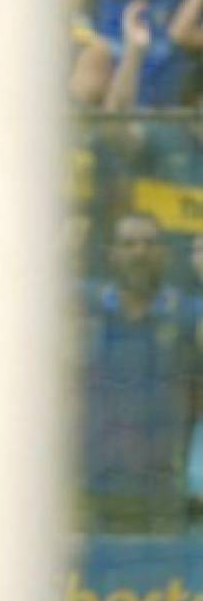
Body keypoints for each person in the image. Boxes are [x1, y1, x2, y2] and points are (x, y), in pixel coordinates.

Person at [81, 213, 198, 534]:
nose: (139, 252)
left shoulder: (187, 318)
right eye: (129, 244)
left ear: (165, 254)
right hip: (92, 493)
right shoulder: (87, 312)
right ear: (111, 254)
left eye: (149, 244)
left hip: (162, 496)